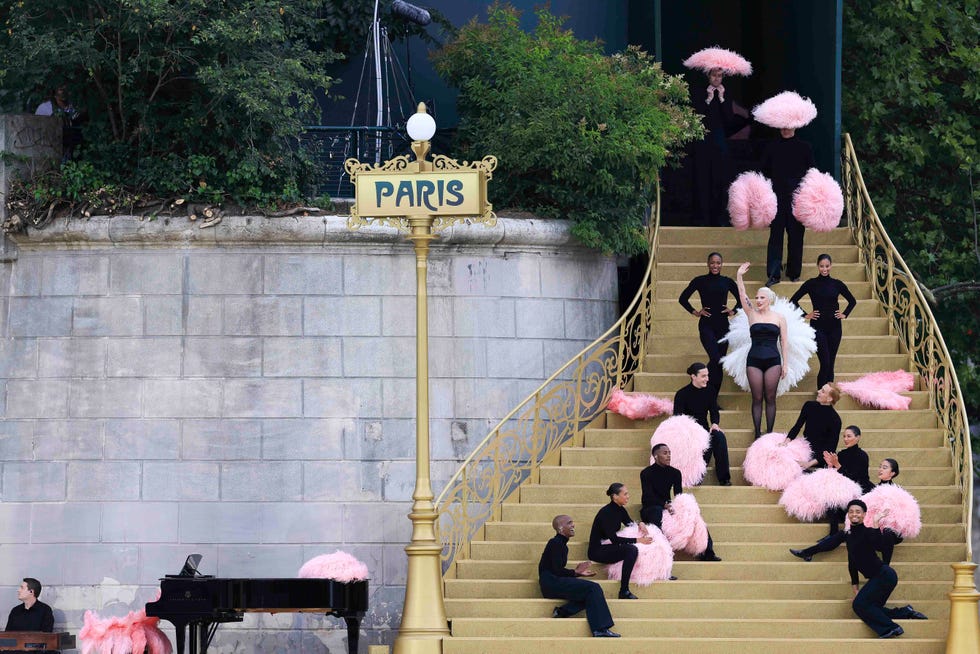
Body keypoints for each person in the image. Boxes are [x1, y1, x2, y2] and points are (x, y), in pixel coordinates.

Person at [790, 457, 903, 562]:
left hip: (886, 532)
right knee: (843, 530)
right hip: (870, 526)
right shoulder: (873, 488)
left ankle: (884, 569)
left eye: (884, 467)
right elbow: (854, 480)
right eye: (880, 466)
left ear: (892, 473)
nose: (880, 469)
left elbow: (900, 514)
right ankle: (808, 552)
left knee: (887, 533)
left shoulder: (897, 492)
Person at [842, 499, 927, 638]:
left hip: (884, 575)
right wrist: (855, 586)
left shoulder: (869, 532)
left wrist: (876, 524)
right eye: (851, 511)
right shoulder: (849, 537)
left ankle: (890, 628)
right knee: (872, 608)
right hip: (879, 577)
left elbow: (880, 546)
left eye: (858, 511)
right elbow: (852, 563)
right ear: (848, 515)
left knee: (859, 605)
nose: (854, 514)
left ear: (864, 515)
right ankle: (906, 612)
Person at [539, 515, 619, 638]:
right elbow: (556, 570)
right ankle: (600, 629)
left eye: (572, 522)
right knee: (593, 588)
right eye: (569, 523)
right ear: (560, 528)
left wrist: (576, 573)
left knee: (590, 594)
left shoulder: (561, 544)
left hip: (552, 582)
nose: (573, 525)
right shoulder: (555, 543)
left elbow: (557, 570)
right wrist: (576, 573)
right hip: (551, 583)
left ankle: (561, 612)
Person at [640, 444, 721, 561]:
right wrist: (664, 505)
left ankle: (708, 553)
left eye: (669, 453)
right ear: (656, 456)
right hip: (651, 507)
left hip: (668, 507)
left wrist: (681, 509)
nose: (668, 456)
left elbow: (679, 496)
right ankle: (663, 555)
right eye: (665, 453)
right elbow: (647, 497)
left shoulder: (675, 473)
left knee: (695, 518)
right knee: (657, 513)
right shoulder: (646, 473)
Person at [690, 68, 750, 226]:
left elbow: (728, 120)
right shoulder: (699, 92)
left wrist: (722, 99)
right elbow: (696, 116)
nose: (717, 79)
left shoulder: (726, 94)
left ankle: (720, 218)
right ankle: (702, 218)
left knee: (720, 179)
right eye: (714, 75)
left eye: (720, 76)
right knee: (702, 179)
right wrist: (708, 99)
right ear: (708, 76)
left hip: (719, 142)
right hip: (703, 141)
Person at [735, 262, 788, 437]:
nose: (758, 300)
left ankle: (770, 433)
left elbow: (784, 342)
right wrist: (739, 276)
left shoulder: (779, 318)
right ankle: (757, 433)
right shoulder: (751, 314)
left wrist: (785, 364)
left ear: (769, 300)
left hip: (773, 359)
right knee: (757, 397)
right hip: (754, 359)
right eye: (757, 298)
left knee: (770, 397)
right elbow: (742, 295)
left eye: (761, 298)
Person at [789, 254, 857, 388]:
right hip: (817, 328)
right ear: (817, 266)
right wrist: (805, 314)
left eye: (827, 266)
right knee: (825, 363)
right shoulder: (811, 283)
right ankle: (821, 395)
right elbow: (793, 300)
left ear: (831, 266)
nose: (824, 269)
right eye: (821, 266)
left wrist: (845, 314)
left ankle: (829, 398)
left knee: (830, 363)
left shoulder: (837, 284)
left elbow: (852, 301)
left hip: (835, 328)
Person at [678, 253, 742, 392]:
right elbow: (683, 298)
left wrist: (733, 311)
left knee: (719, 362)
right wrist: (695, 312)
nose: (715, 266)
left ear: (722, 264)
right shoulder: (700, 281)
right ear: (708, 264)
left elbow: (741, 299)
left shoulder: (727, 281)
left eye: (718, 263)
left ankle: (712, 397)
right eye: (712, 263)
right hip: (706, 325)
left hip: (724, 327)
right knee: (715, 358)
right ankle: (705, 390)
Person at [762, 126, 816, 286]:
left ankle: (794, 272)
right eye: (782, 126)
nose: (785, 129)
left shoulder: (805, 147)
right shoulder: (771, 147)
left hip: (797, 199)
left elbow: (811, 172)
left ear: (795, 126)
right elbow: (764, 171)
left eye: (788, 126)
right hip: (776, 198)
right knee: (775, 236)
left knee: (796, 236)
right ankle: (774, 274)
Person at [587, 483, 652, 600]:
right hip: (597, 551)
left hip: (608, 547)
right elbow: (615, 540)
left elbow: (629, 523)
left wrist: (640, 523)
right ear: (615, 496)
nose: (628, 496)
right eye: (625, 494)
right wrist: (638, 540)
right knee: (631, 549)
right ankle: (624, 590)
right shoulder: (606, 513)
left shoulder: (620, 509)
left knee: (638, 546)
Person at [673, 362, 731, 485]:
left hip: (705, 430)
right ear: (693, 377)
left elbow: (714, 411)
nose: (707, 379)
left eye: (707, 375)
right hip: (689, 434)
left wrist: (715, 423)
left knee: (719, 437)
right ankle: (696, 476)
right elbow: (678, 419)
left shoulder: (710, 391)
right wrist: (691, 434)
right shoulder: (681, 394)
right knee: (703, 446)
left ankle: (724, 478)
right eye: (703, 376)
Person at [784, 383, 842, 470]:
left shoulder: (835, 420)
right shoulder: (809, 406)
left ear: (829, 398)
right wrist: (786, 441)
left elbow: (830, 448)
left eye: (822, 391)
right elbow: (797, 427)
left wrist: (809, 463)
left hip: (819, 458)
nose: (818, 391)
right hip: (804, 449)